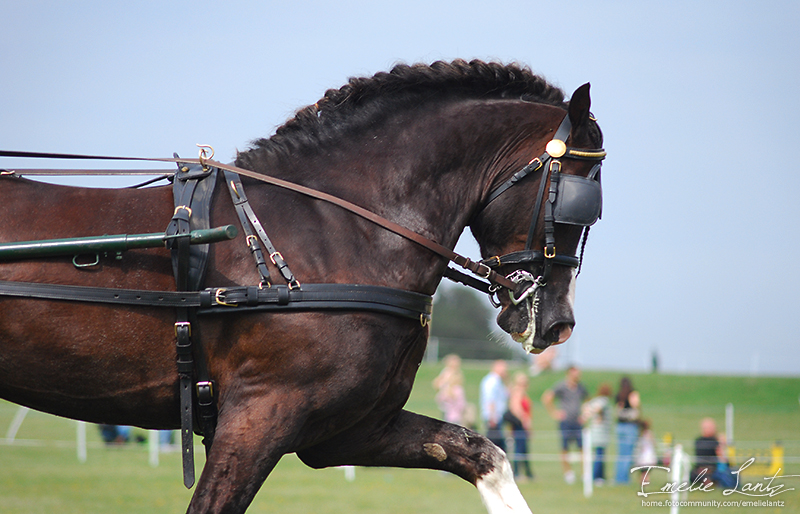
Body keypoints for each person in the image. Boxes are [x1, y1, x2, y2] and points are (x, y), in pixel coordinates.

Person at [541, 365, 588, 484]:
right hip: (566, 421)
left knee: (582, 448)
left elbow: (587, 401)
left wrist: (585, 415)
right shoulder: (561, 386)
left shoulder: (581, 387)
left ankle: (584, 473)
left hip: (577, 421)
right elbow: (547, 397)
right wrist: (554, 412)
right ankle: (568, 473)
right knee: (565, 448)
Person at [582, 383, 612, 485]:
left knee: (599, 454)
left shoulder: (595, 400)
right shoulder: (604, 401)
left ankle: (601, 476)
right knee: (599, 454)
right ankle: (596, 476)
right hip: (601, 432)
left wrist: (586, 415)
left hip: (595, 431)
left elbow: (585, 406)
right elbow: (598, 408)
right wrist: (591, 414)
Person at [692, 417, 735, 488]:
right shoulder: (700, 441)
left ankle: (712, 481)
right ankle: (708, 480)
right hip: (702, 469)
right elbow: (703, 455)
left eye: (711, 427)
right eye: (707, 427)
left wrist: (722, 445)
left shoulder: (717, 440)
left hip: (715, 468)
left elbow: (725, 460)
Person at [507, 372, 534, 481]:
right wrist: (524, 419)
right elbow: (516, 408)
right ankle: (517, 473)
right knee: (519, 448)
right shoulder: (517, 392)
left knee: (523, 449)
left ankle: (527, 473)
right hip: (519, 424)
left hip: (521, 423)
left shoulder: (521, 392)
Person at [614, 376, 640, 484]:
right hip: (630, 426)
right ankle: (624, 479)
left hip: (620, 426)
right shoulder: (632, 394)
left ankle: (619, 478)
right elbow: (636, 407)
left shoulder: (619, 395)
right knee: (628, 454)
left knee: (621, 454)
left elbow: (617, 411)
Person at [480, 360, 509, 450]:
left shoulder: (498, 381)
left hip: (497, 416)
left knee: (498, 445)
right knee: (495, 446)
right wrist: (492, 417)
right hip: (494, 417)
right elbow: (490, 399)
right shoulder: (492, 381)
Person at [433, 354, 466, 425]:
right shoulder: (446, 372)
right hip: (447, 399)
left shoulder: (457, 372)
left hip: (453, 398)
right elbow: (437, 383)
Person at [635, 419, 657, 484]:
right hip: (648, 453)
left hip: (642, 454)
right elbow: (654, 443)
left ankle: (642, 480)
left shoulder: (640, 433)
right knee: (647, 470)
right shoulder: (649, 433)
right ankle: (646, 480)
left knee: (643, 469)